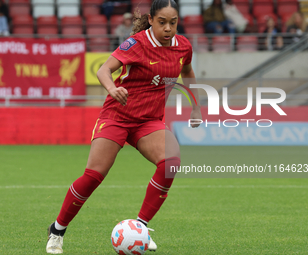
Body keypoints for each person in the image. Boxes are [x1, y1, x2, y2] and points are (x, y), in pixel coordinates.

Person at [46, 0, 202, 254]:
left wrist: (196, 106)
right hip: (117, 116)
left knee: (170, 162)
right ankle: (57, 230)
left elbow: (188, 72)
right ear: (151, 20)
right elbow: (103, 70)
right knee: (95, 174)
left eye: (173, 23)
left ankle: (140, 227)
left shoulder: (183, 46)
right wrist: (112, 89)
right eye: (162, 22)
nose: (168, 29)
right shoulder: (137, 44)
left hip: (149, 120)